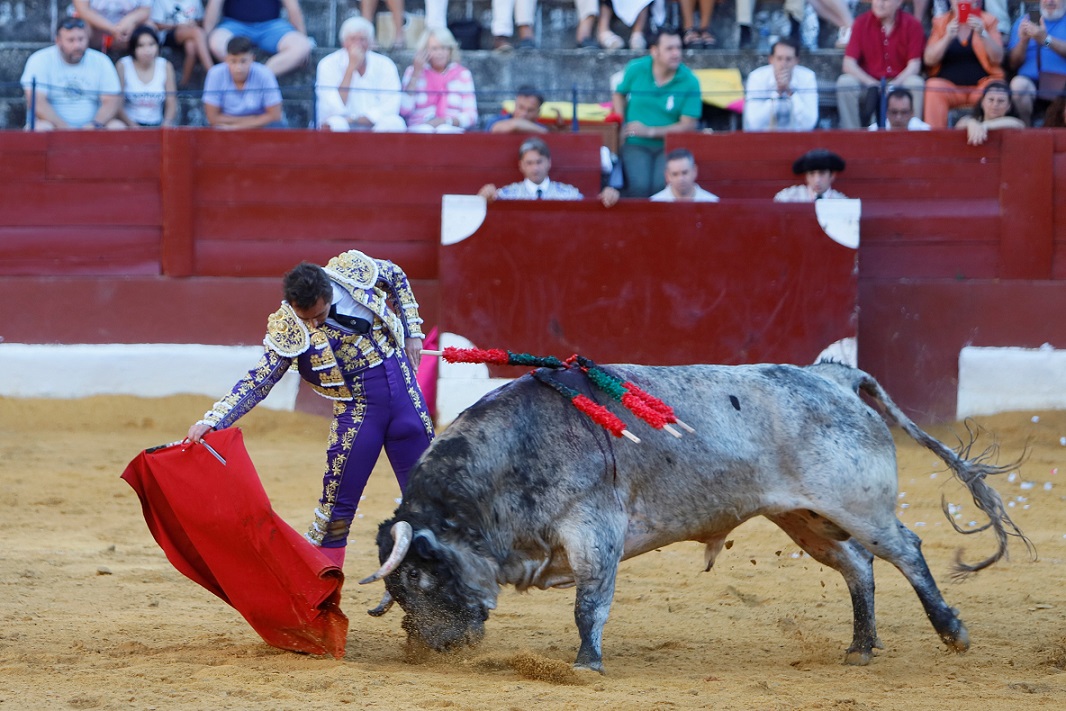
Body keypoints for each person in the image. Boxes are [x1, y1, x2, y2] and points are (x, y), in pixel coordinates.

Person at [185, 251, 434, 569]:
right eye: (307, 319)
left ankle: (445, 593)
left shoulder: (353, 272)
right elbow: (260, 381)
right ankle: (321, 602)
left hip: (406, 401)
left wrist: (413, 333)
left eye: (319, 315)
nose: (314, 325)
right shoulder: (290, 326)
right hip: (359, 413)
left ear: (329, 293)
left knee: (430, 498)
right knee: (335, 514)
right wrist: (213, 421)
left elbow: (396, 275)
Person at [612, 27, 702, 198]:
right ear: (654, 51)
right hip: (635, 141)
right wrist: (621, 123)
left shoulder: (690, 81)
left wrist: (650, 131)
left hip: (670, 145)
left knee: (660, 186)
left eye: (678, 47)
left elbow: (689, 125)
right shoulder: (636, 68)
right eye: (669, 48)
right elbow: (619, 94)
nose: (676, 53)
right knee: (639, 186)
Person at [20, 17, 125, 131]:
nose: (77, 46)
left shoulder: (101, 61)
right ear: (58, 41)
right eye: (71, 40)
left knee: (117, 127)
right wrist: (64, 128)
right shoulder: (39, 59)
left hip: (93, 128)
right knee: (39, 128)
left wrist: (94, 125)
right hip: (54, 126)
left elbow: (112, 101)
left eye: (81, 39)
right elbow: (37, 102)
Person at [835, 0, 925, 129]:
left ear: (898, 2)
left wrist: (894, 85)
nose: (879, 3)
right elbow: (848, 64)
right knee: (845, 83)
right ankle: (852, 136)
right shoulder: (861, 23)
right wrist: (872, 83)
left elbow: (914, 65)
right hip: (868, 81)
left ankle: (914, 134)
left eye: (885, 0)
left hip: (899, 79)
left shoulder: (912, 24)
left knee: (915, 83)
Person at [923, 0, 1005, 129]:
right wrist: (947, 37)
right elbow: (929, 59)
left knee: (997, 89)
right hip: (950, 89)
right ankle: (935, 140)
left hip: (981, 87)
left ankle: (994, 139)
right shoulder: (941, 22)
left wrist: (982, 33)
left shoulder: (989, 20)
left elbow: (998, 58)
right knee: (933, 87)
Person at [315, 16, 405, 132]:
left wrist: (357, 119)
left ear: (370, 42)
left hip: (374, 124)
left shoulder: (385, 64)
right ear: (344, 42)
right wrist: (351, 68)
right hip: (343, 122)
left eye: (362, 39)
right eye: (352, 39)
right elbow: (334, 107)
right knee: (335, 124)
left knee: (395, 123)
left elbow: (391, 104)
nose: (357, 44)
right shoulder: (327, 64)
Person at [478, 136, 620, 206]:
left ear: (549, 163)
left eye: (539, 162)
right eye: (529, 163)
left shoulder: (569, 194)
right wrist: (483, 198)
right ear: (521, 166)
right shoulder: (506, 194)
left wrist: (607, 196)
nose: (535, 168)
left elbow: (591, 210)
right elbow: (483, 205)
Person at [203, 0, 312, 77]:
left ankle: (260, 76)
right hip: (234, 26)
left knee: (301, 46)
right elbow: (214, 7)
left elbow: (293, 8)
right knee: (216, 43)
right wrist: (206, 39)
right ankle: (253, 74)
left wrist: (303, 38)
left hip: (272, 26)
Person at [400, 27, 477, 133]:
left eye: (444, 48)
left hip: (450, 129)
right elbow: (404, 110)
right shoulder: (413, 71)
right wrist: (416, 74)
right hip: (420, 129)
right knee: (425, 130)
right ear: (425, 51)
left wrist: (446, 121)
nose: (440, 53)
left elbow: (471, 116)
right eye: (434, 49)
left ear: (450, 50)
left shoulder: (463, 74)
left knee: (444, 130)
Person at [202, 35, 283, 129]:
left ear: (252, 59)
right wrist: (251, 120)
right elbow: (212, 118)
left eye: (243, 61)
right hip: (225, 130)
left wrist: (236, 127)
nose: (238, 68)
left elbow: (275, 116)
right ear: (226, 59)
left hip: (258, 130)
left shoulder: (265, 74)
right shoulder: (215, 74)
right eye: (233, 61)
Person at [1007, 0, 1066, 125]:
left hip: (1062, 84)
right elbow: (1013, 63)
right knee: (1018, 85)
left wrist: (1046, 40)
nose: (1050, 1)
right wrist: (1023, 41)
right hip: (1032, 83)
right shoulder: (1025, 21)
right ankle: (1026, 131)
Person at [742, 38, 819, 132]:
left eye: (788, 59)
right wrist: (777, 94)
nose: (783, 64)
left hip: (797, 140)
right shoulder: (757, 77)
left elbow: (809, 123)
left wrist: (791, 93)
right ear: (771, 59)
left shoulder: (807, 77)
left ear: (797, 60)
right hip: (763, 140)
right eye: (779, 58)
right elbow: (754, 123)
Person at [116, 25, 178, 127]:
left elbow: (171, 102)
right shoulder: (123, 65)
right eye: (141, 45)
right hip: (129, 125)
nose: (147, 50)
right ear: (133, 48)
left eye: (151, 44)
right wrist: (133, 126)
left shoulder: (165, 66)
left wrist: (166, 124)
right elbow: (117, 103)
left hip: (157, 124)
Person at [150, 0, 215, 87]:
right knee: (198, 32)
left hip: (188, 32)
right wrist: (177, 25)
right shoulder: (161, 1)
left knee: (191, 47)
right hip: (168, 34)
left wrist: (193, 23)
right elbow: (157, 24)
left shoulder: (195, 1)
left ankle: (183, 84)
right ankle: (212, 73)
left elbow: (200, 20)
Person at [955, 79, 1024, 145]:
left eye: (1001, 101)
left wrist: (983, 126)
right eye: (991, 100)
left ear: (1009, 106)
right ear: (982, 102)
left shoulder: (1013, 123)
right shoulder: (972, 121)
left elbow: (1018, 124)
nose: (995, 105)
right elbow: (961, 124)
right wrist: (971, 123)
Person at [70, 0, 151, 55]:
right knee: (79, 28)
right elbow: (82, 10)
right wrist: (112, 29)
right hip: (95, 26)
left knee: (149, 26)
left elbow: (145, 10)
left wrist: (129, 21)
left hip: (126, 26)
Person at [774, 148, 849, 202]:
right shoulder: (789, 197)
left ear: (832, 176)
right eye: (811, 174)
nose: (817, 180)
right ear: (806, 177)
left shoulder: (841, 201)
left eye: (822, 174)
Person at [649, 148, 719, 202]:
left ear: (694, 171)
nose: (681, 179)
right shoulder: (654, 202)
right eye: (675, 174)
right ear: (667, 176)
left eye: (685, 172)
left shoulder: (712, 201)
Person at [484, 85, 557, 133]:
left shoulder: (542, 128)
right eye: (521, 107)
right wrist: (544, 131)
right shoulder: (496, 121)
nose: (524, 113)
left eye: (530, 110)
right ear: (515, 105)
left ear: (538, 112)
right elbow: (515, 125)